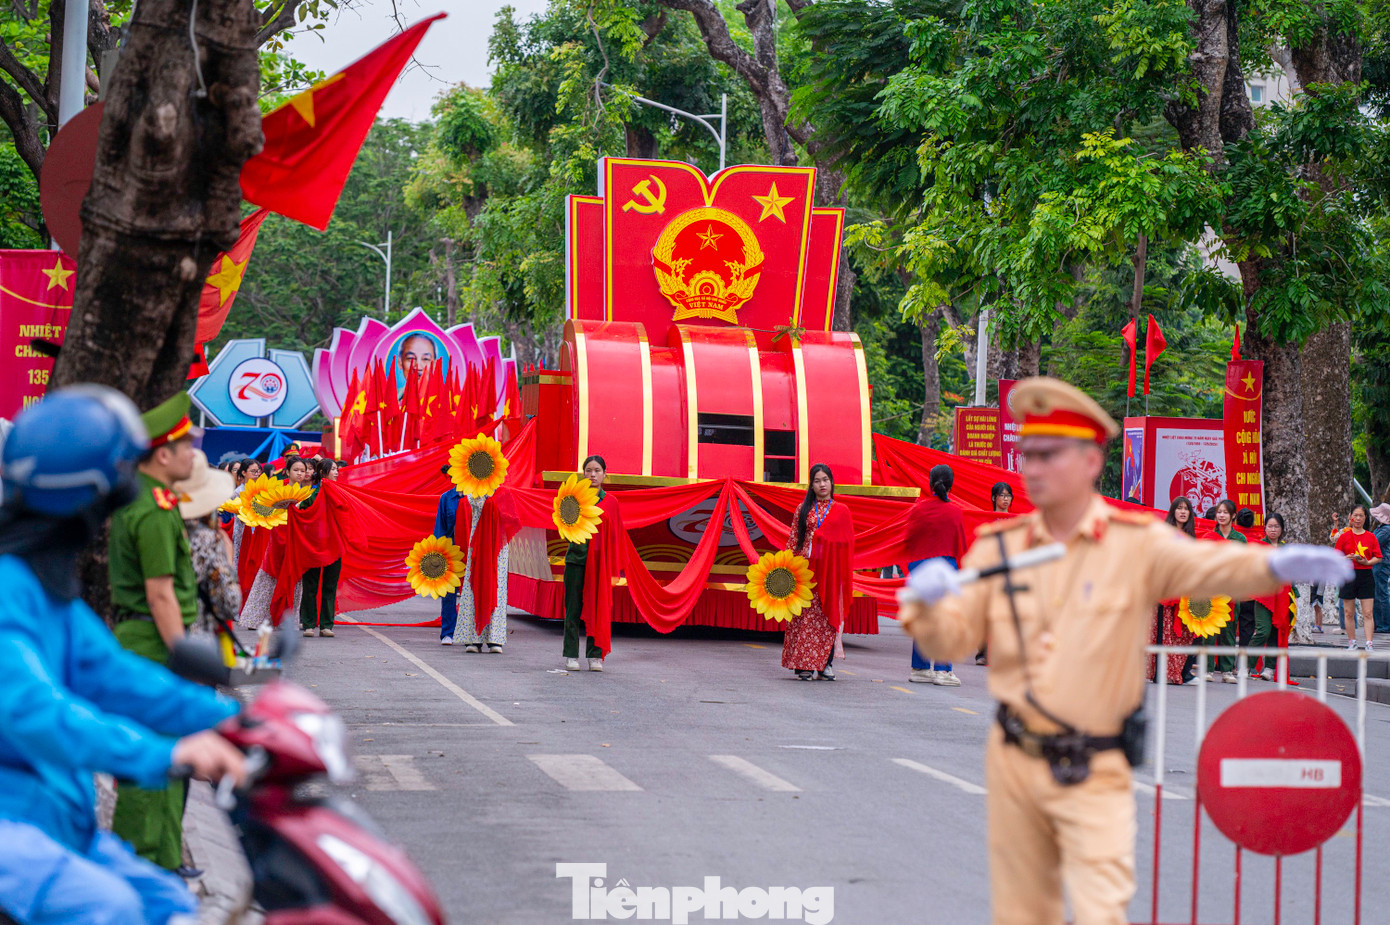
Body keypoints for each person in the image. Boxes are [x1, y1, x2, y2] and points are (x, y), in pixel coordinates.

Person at [898, 376, 1350, 925]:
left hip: (1099, 764)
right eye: (1029, 455)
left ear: (1091, 462)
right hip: (1017, 761)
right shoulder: (1001, 546)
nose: (1033, 469)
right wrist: (924, 606)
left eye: (1050, 455)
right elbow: (953, 638)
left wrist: (1272, 565)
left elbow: (1202, 564)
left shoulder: (1134, 542)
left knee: (1100, 908)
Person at [0, 386, 247, 925]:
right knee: (106, 907)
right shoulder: (8, 589)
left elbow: (114, 677)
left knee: (167, 903)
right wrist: (163, 754)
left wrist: (240, 720)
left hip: (57, 821)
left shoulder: (50, 593)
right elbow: (33, 712)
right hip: (13, 823)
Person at [106, 392, 205, 872]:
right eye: (186, 446)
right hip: (152, 643)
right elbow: (161, 594)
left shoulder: (150, 501)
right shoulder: (152, 510)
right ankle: (138, 859)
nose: (193, 455)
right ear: (162, 455)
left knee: (168, 757)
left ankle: (165, 856)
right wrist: (182, 654)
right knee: (149, 762)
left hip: (147, 641)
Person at [780, 464, 855, 681]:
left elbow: (848, 543)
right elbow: (794, 540)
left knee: (827, 616)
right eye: (817, 481)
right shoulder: (803, 509)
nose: (822, 484)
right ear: (811, 485)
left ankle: (825, 665)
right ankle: (803, 665)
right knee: (804, 618)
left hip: (830, 572)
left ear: (832, 482)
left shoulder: (842, 510)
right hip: (806, 572)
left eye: (825, 480)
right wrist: (787, 569)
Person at [905, 464, 967, 686]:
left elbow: (907, 540)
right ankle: (942, 670)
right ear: (951, 485)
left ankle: (919, 668)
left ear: (930, 483)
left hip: (920, 570)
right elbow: (960, 546)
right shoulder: (956, 512)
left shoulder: (918, 509)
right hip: (945, 570)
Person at [563, 456, 622, 671]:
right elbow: (564, 529)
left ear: (605, 474)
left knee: (598, 608)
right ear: (583, 474)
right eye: (589, 470)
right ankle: (570, 654)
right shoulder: (573, 499)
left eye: (597, 470)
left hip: (600, 565)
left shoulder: (612, 502)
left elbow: (615, 537)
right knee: (573, 609)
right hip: (576, 561)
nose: (593, 474)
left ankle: (595, 655)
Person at [176, 451, 242, 635]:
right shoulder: (206, 538)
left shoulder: (161, 524)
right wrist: (228, 560)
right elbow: (229, 603)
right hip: (196, 637)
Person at [1198, 499, 1246, 683]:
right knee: (1209, 629)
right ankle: (1207, 669)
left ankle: (1227, 671)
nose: (1222, 515)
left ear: (1233, 515)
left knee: (1228, 629)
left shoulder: (1239, 539)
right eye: (1219, 512)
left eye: (1225, 512)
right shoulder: (1210, 535)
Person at [1150, 497, 1197, 684]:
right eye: (1179, 508)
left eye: (1186, 509)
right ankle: (1162, 674)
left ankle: (1180, 672)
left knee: (1183, 633)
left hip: (1184, 589)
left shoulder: (1191, 537)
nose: (1183, 512)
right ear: (1173, 512)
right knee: (1163, 631)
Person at [299, 458, 342, 638]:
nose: (337, 472)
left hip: (334, 546)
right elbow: (300, 517)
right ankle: (308, 624)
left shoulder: (342, 493)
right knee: (310, 586)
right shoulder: (310, 495)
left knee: (330, 587)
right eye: (333, 469)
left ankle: (326, 625)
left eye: (336, 469)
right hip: (312, 547)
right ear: (323, 473)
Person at [1249, 512, 1292, 681]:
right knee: (1263, 630)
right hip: (1263, 595)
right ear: (1264, 527)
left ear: (1281, 529)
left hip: (1281, 596)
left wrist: (1293, 594)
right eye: (1270, 526)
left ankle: (1270, 667)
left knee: (1276, 630)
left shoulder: (1285, 549)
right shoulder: (1259, 546)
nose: (1273, 530)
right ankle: (1246, 664)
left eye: (1276, 526)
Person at [1334, 504, 1381, 651]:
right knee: (1348, 612)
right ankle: (1351, 642)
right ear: (1350, 517)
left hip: (1365, 575)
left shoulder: (1371, 536)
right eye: (1355, 515)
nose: (1358, 518)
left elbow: (1378, 557)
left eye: (1361, 515)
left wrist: (1367, 562)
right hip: (1348, 574)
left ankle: (1369, 643)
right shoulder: (1344, 537)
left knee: (1367, 612)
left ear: (1365, 518)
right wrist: (1346, 558)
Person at [433, 466, 465, 646]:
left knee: (472, 593)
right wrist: (439, 555)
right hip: (452, 552)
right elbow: (440, 529)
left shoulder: (475, 497)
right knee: (449, 594)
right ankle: (448, 632)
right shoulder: (446, 499)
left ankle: (472, 632)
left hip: (471, 552)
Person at [1371, 502, 1390, 635]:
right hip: (1377, 564)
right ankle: (1378, 623)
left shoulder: (1386, 530)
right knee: (1377, 593)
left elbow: (1374, 543)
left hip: (1381, 564)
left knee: (1381, 594)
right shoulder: (1381, 527)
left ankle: (1384, 624)